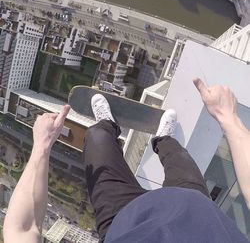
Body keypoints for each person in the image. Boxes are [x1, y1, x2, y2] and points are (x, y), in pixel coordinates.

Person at [3, 78, 250, 243]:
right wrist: (229, 119)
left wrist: (41, 148)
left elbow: (21, 231)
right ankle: (162, 140)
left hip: (122, 220)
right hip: (192, 206)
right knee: (177, 156)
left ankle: (107, 125)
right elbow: (20, 231)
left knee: (96, 138)